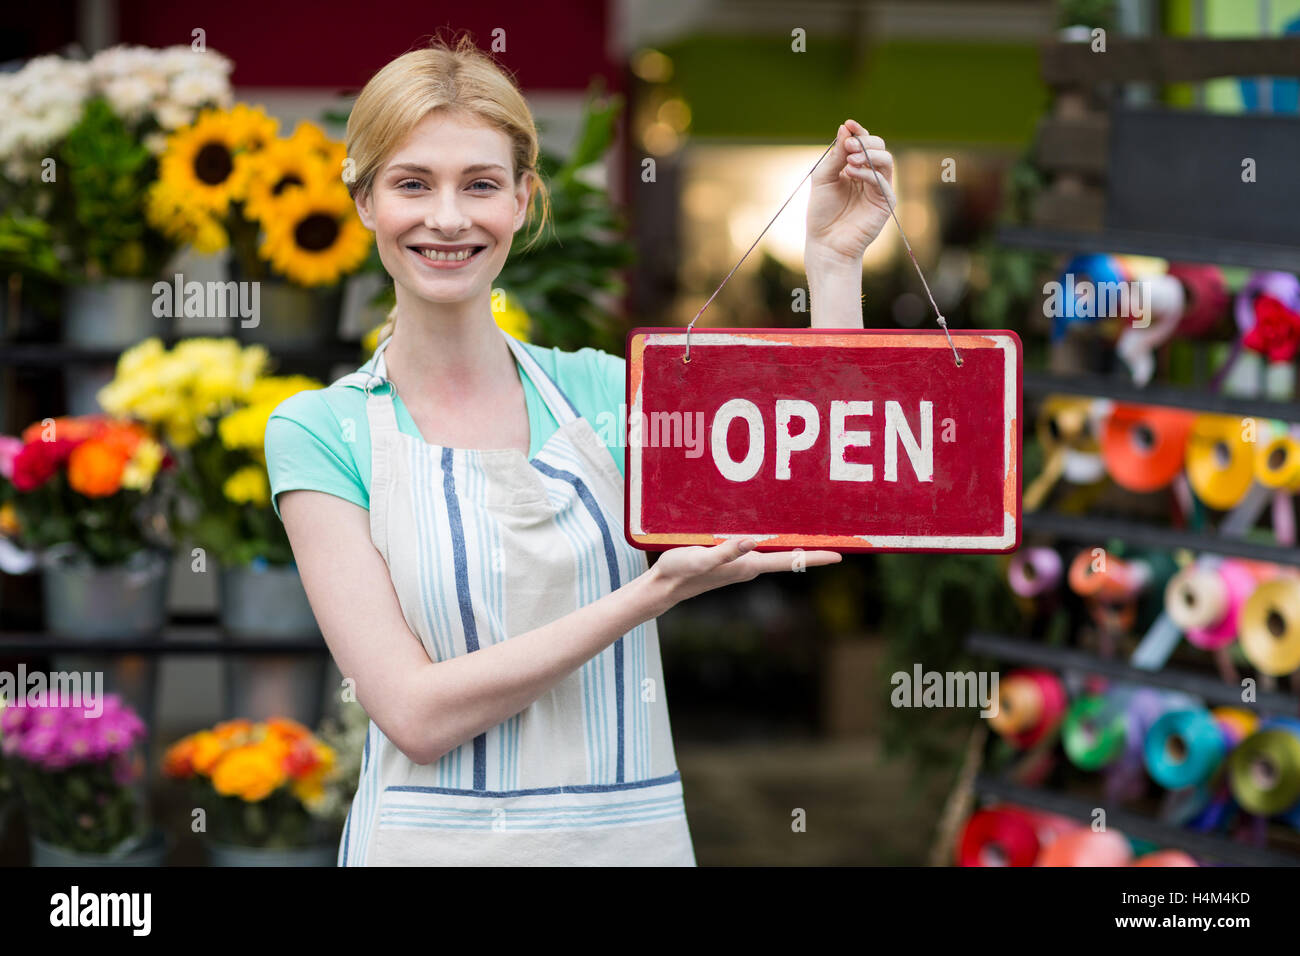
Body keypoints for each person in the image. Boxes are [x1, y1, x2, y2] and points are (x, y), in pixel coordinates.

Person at [265, 33, 897, 866]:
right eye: (412, 183)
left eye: (481, 185)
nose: (447, 218)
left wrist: (834, 266)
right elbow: (415, 716)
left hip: (626, 842)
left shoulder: (610, 392)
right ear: (365, 203)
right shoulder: (321, 432)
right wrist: (647, 597)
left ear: (524, 200)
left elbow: (817, 489)